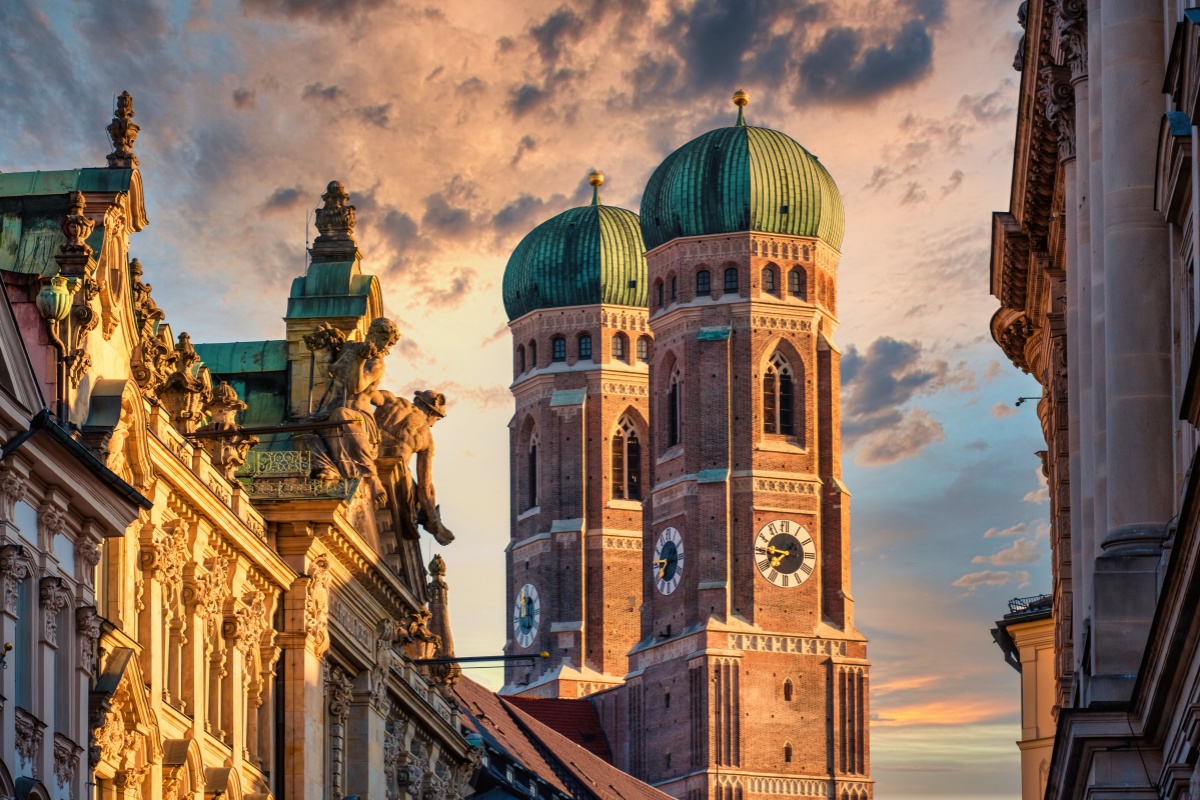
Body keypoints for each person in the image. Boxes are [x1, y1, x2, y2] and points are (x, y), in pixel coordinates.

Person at [306, 317, 400, 505]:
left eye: (390, 344)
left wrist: (360, 360)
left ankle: (371, 477)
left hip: (359, 416)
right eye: (386, 340)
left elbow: (356, 387)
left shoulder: (377, 363)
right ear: (373, 333)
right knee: (303, 428)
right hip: (332, 409)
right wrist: (324, 346)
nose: (386, 347)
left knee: (343, 416)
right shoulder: (349, 348)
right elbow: (330, 372)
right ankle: (328, 468)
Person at [375, 389, 454, 545]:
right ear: (432, 413)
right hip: (395, 475)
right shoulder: (427, 439)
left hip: (369, 457)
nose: (433, 424)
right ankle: (431, 521)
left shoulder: (392, 401)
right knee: (423, 492)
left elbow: (367, 393)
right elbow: (425, 486)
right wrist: (432, 517)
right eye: (436, 420)